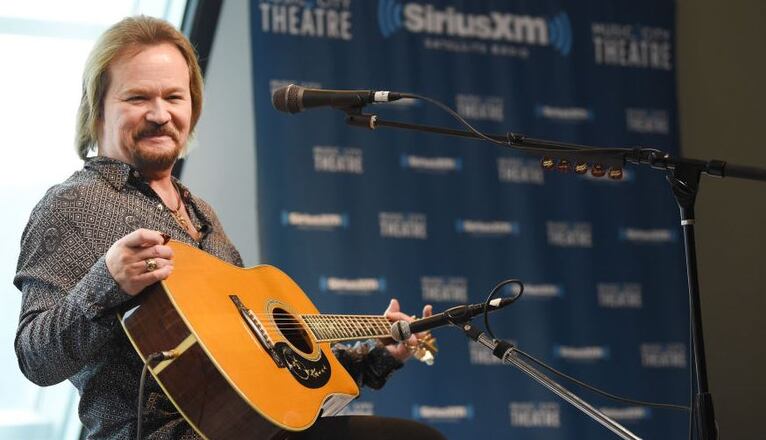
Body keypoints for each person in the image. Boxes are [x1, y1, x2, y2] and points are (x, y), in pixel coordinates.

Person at [14, 16, 444, 440]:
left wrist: (379, 356)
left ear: (192, 107)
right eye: (138, 97)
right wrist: (107, 281)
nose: (160, 114)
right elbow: (36, 359)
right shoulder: (72, 204)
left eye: (174, 97)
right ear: (98, 107)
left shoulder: (201, 213)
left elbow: (263, 371)